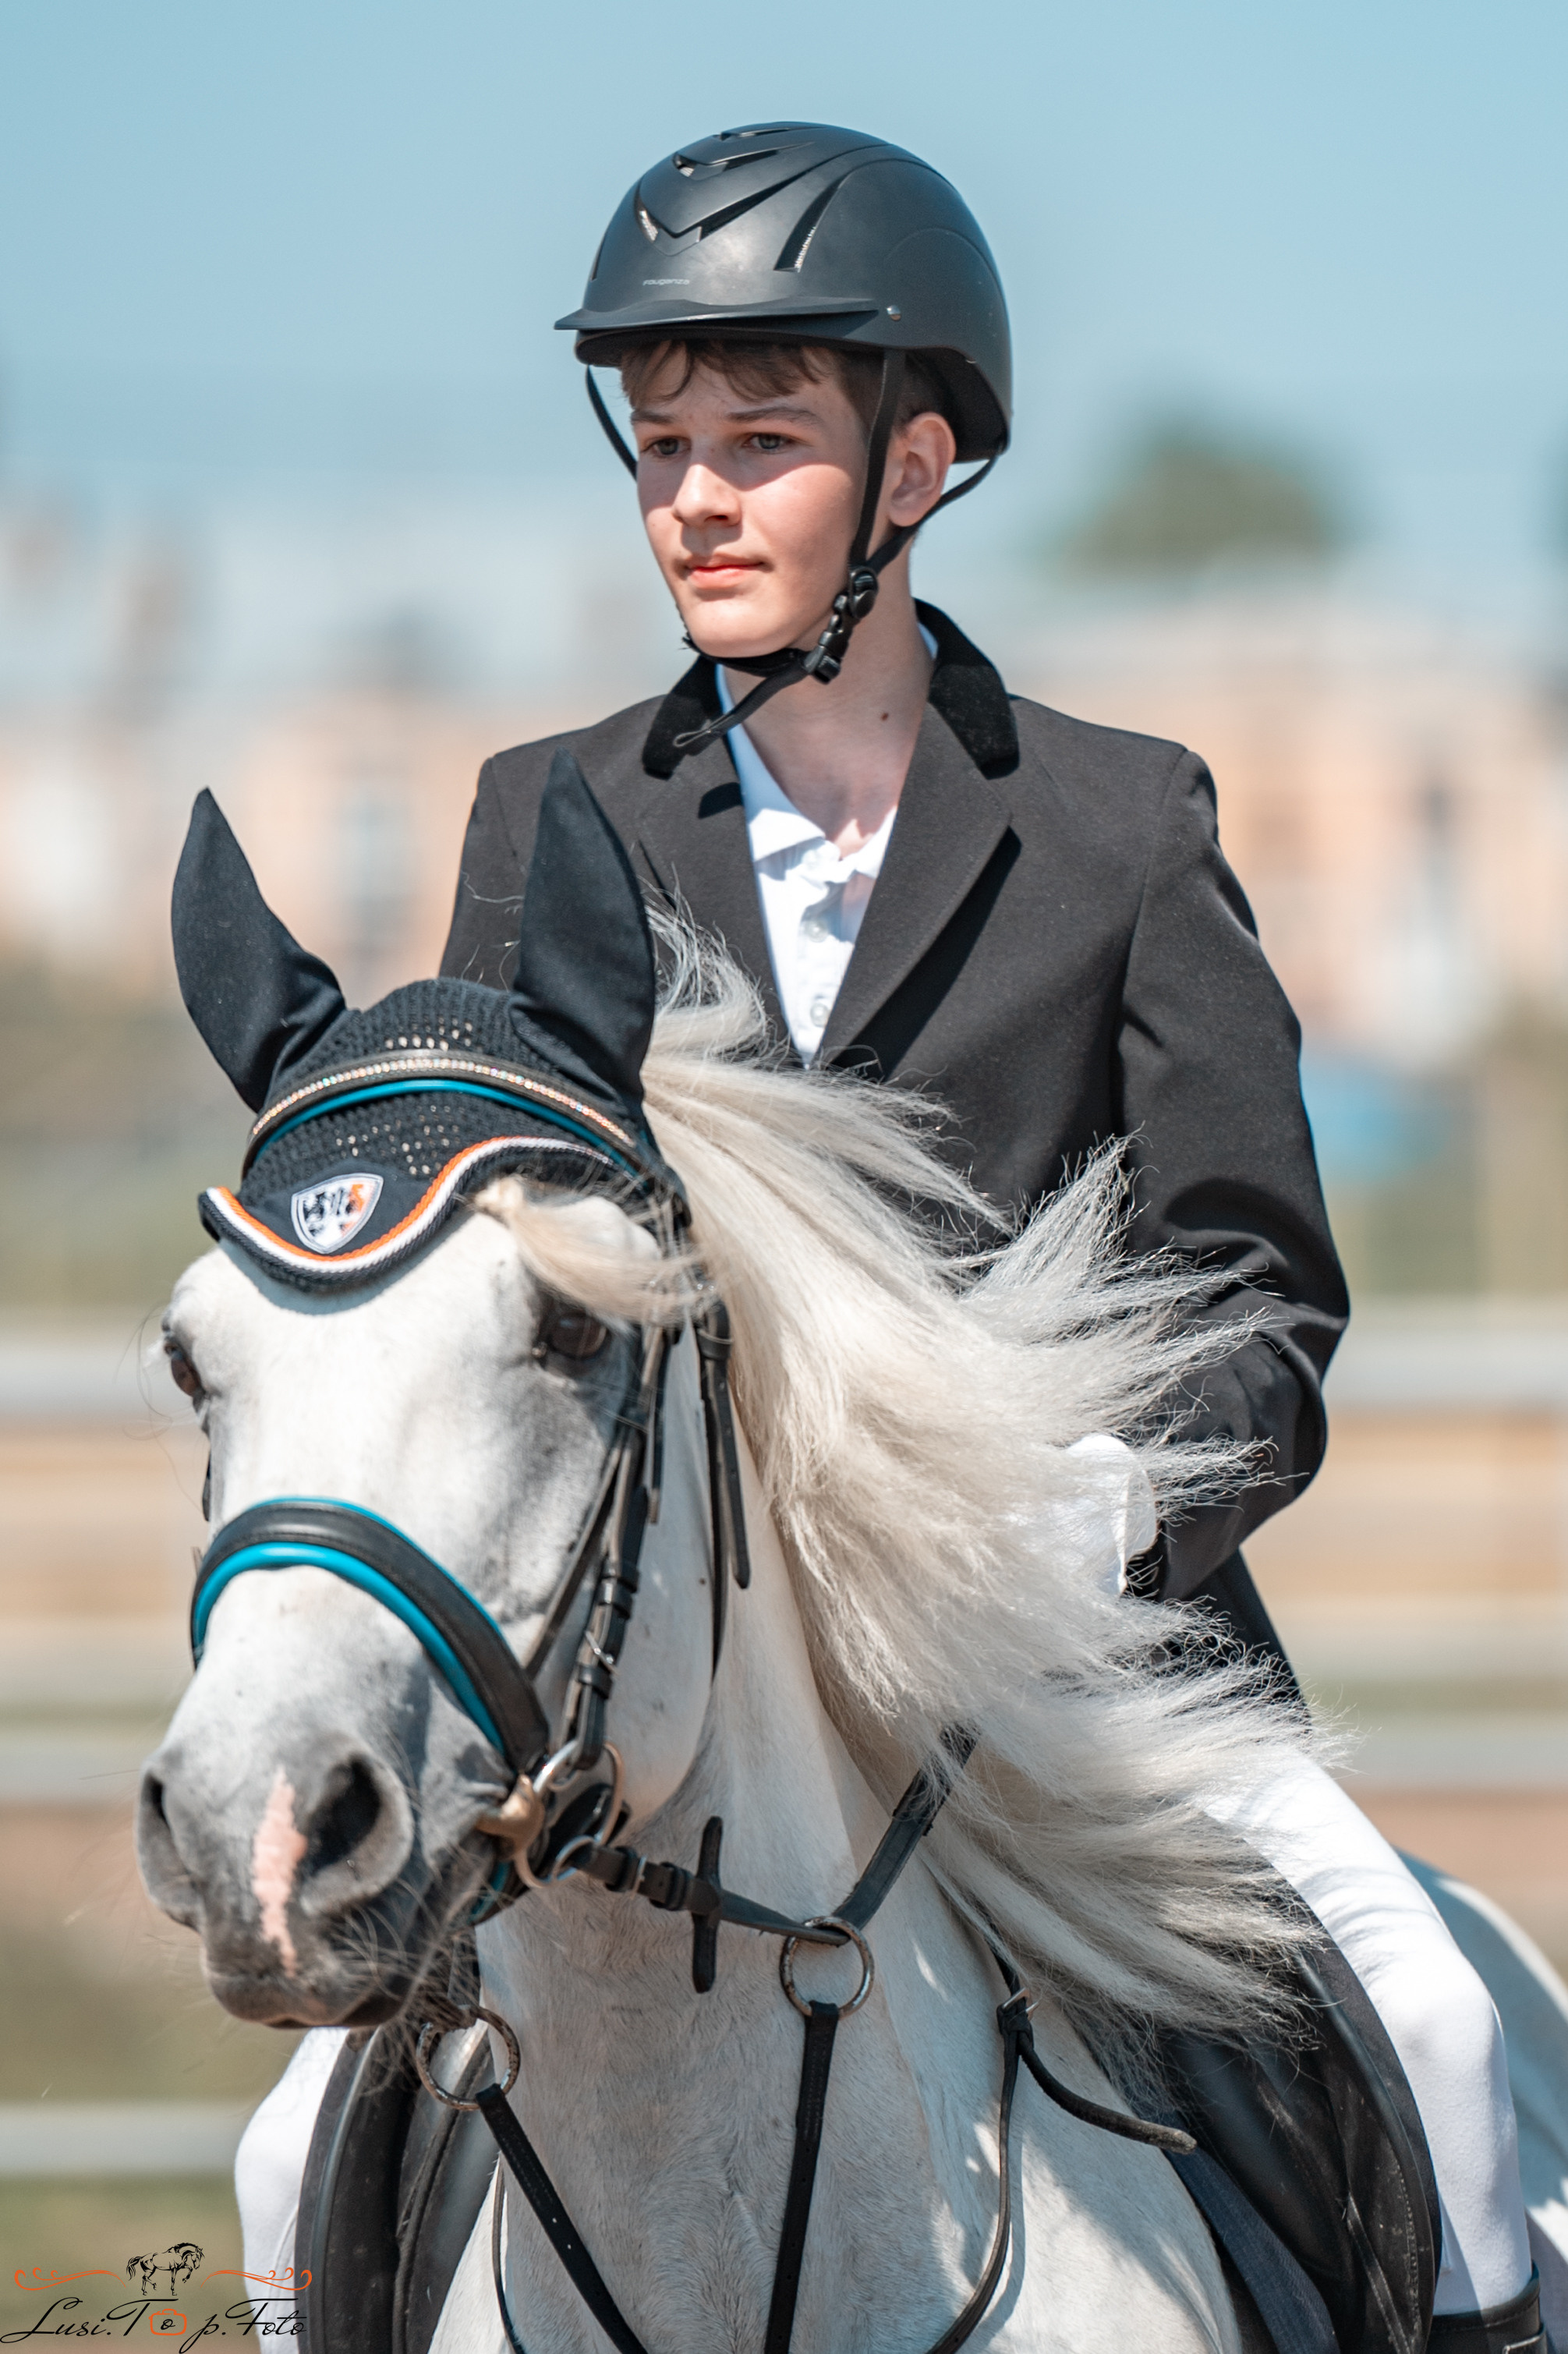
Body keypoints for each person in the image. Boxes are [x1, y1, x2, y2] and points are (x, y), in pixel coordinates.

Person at [441, 126, 1540, 2345]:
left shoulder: (1122, 826)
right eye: (660, 445)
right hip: (676, 1694)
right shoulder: (547, 824)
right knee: (300, 2140)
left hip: (1089, 1671)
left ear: (915, 466)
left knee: (1433, 2029)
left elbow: (1257, 1289)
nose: (693, 498)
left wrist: (1101, 1506)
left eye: (760, 443)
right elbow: (502, 1258)